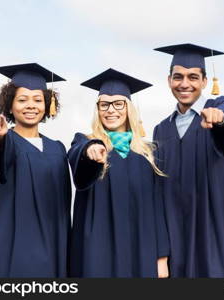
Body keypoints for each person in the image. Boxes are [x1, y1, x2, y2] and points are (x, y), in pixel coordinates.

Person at [153, 43, 224, 277]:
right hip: (176, 244)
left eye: (193, 77)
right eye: (178, 77)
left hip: (214, 238)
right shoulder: (161, 130)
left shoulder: (220, 108)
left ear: (205, 81)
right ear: (169, 80)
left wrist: (220, 121)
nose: (185, 84)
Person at [68, 68, 170, 278]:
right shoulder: (85, 141)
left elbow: (157, 209)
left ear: (129, 108)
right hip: (96, 249)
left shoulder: (147, 154)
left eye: (118, 104)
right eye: (104, 104)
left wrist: (162, 258)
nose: (110, 110)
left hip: (140, 248)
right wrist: (91, 151)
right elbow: (76, 157)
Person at [0, 63, 71, 277]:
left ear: (47, 105)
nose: (31, 106)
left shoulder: (57, 148)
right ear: (9, 105)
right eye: (22, 99)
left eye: (37, 100)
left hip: (53, 246)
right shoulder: (3, 139)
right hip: (13, 247)